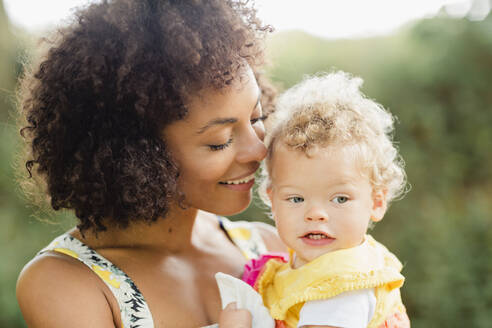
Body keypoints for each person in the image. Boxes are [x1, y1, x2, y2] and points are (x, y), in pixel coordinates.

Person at [15, 1, 285, 327]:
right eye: (220, 141)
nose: (258, 150)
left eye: (256, 117)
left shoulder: (271, 246)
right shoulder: (66, 284)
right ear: (138, 153)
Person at [219, 72, 411, 328]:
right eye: (296, 198)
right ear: (272, 201)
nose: (316, 213)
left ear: (376, 202)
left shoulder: (340, 286)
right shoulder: (323, 266)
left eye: (340, 198)